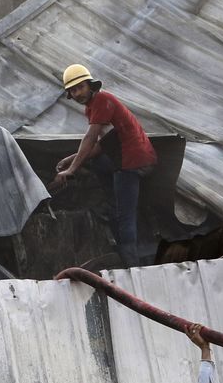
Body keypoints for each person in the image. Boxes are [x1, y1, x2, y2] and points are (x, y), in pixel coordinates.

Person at [51, 64, 158, 264]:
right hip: (125, 158)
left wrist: (72, 169)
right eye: (73, 90)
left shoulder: (102, 100)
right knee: (99, 164)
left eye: (80, 87)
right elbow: (102, 145)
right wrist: (70, 159)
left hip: (131, 161)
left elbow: (91, 138)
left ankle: (132, 264)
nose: (77, 93)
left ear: (90, 85)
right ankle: (112, 203)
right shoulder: (92, 107)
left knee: (125, 215)